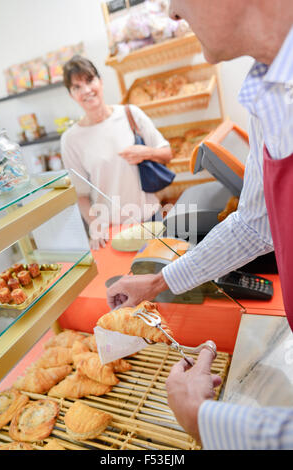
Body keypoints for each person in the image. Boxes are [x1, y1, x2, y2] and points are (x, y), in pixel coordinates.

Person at [106, 0, 293, 449]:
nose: (171, 13)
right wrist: (156, 283)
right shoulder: (269, 96)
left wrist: (204, 422)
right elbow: (253, 226)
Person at [61, 55, 172, 250]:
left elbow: (167, 154)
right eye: (77, 87)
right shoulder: (71, 139)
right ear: (71, 95)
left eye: (89, 80)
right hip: (112, 230)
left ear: (100, 81)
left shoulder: (131, 114)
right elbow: (81, 195)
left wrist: (146, 152)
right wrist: (95, 227)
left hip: (150, 218)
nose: (86, 90)